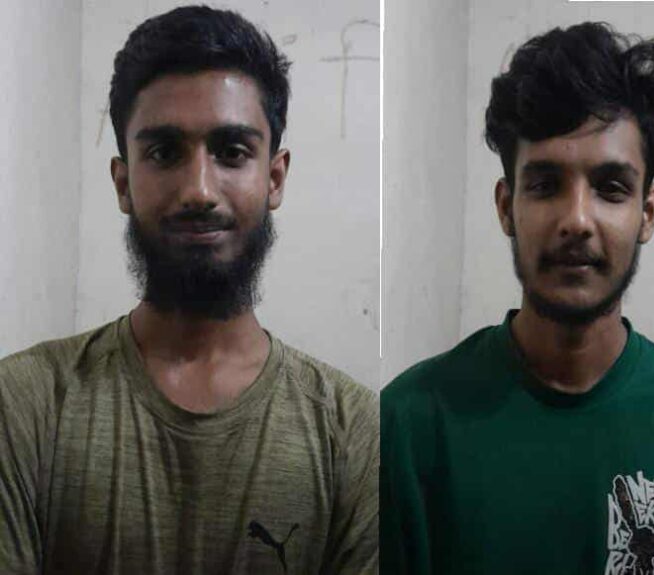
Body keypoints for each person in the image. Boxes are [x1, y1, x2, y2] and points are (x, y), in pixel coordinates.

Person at [0, 6, 378, 573]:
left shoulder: (355, 433)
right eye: (164, 152)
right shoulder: (24, 406)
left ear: (274, 178)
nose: (199, 189)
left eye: (232, 152)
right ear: (123, 183)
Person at [381, 22, 654, 575]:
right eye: (545, 185)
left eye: (611, 188)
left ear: (648, 212)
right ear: (506, 206)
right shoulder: (408, 424)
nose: (577, 220)